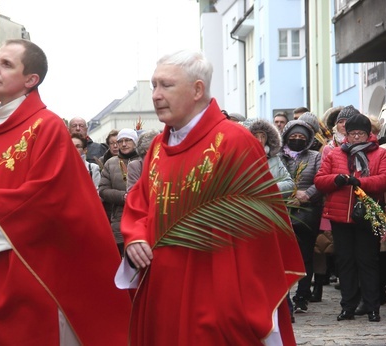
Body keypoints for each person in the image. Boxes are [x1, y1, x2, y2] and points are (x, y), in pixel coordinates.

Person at [0, 39, 131, 345]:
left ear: (30, 80)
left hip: (23, 264)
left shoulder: (46, 127)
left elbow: (48, 197)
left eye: (6, 64)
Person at [121, 50, 305, 345]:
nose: (155, 95)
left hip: (212, 286)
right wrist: (135, 236)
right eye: (154, 85)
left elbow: (256, 226)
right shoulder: (157, 144)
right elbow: (140, 201)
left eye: (166, 85)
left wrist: (231, 300)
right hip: (161, 287)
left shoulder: (234, 141)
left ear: (197, 90)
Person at [315, 112, 386, 323]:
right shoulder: (335, 154)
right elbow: (320, 180)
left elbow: (385, 179)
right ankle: (347, 306)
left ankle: (372, 307)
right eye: (353, 133)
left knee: (368, 262)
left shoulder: (380, 154)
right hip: (340, 216)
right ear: (346, 134)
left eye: (361, 133)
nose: (356, 137)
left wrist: (362, 182)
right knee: (345, 262)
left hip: (366, 215)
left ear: (368, 134)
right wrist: (337, 180)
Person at [279, 120, 323, 314]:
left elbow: (321, 179)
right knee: (282, 255)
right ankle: (284, 297)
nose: (297, 140)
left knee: (305, 254)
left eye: (301, 138)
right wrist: (289, 195)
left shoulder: (315, 157)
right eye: (293, 137)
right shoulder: (278, 156)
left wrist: (306, 195)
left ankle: (302, 296)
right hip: (282, 209)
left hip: (307, 211)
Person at [98, 128, 139, 255]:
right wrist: (123, 196)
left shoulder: (144, 160)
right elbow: (103, 190)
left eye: (128, 140)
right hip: (119, 220)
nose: (124, 144)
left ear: (135, 142)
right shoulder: (110, 163)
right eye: (120, 141)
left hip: (141, 219)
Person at [248, 119, 294, 197]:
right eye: (256, 136)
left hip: (271, 206)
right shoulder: (243, 159)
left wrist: (269, 189)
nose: (259, 140)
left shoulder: (275, 159)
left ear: (267, 139)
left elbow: (289, 184)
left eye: (263, 136)